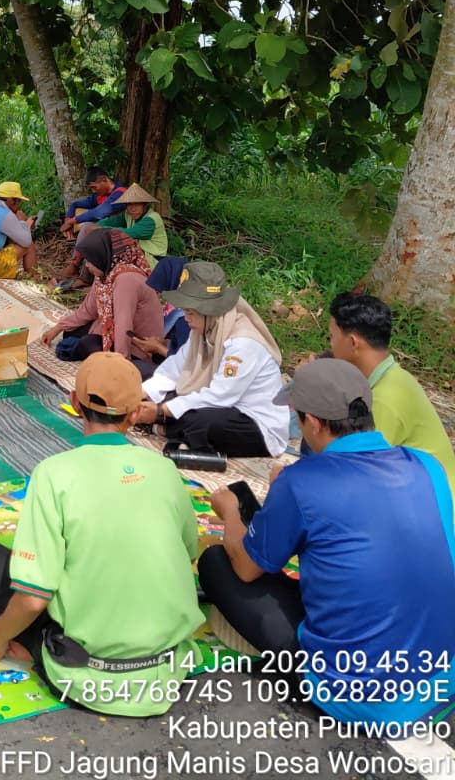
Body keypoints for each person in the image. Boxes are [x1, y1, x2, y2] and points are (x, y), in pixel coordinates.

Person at [200, 360, 455, 726]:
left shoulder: (302, 481)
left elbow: (247, 567)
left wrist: (230, 513)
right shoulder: (426, 465)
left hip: (361, 696)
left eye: (299, 420)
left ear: (315, 424)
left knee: (218, 563)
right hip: (442, 680)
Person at [0, 353, 204, 715]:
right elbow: (188, 551)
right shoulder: (165, 469)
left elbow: (33, 597)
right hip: (166, 671)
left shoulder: (52, 474)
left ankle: (32, 645)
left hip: (86, 676)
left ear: (75, 404)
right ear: (136, 412)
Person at [131, 261, 289, 458]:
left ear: (208, 310)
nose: (186, 318)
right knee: (143, 376)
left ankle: (162, 428)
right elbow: (175, 369)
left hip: (252, 422)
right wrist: (140, 393)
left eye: (190, 312)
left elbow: (219, 397)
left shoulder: (243, 344)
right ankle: (167, 427)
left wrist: (161, 411)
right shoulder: (203, 331)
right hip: (221, 405)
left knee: (200, 421)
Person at [328, 291, 455, 496]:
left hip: (434, 512)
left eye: (332, 337)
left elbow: (358, 474)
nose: (330, 344)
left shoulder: (384, 401)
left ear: (353, 343)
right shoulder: (394, 378)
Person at [41, 229, 162, 368]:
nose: (86, 265)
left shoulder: (126, 279)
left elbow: (124, 324)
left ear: (101, 257)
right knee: (70, 332)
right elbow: (87, 311)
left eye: (89, 261)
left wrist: (121, 363)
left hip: (136, 345)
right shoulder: (105, 274)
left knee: (87, 344)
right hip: (115, 332)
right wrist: (56, 329)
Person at [56, 183, 169, 291]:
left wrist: (100, 229)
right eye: (129, 204)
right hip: (139, 256)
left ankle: (100, 281)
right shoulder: (128, 215)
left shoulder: (151, 220)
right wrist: (94, 226)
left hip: (152, 261)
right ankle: (86, 277)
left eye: (136, 204)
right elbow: (109, 221)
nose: (132, 208)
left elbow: (128, 233)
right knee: (93, 230)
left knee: (114, 244)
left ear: (144, 204)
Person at [59, 166, 126, 238]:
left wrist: (71, 221)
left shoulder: (120, 192)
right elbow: (75, 204)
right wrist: (67, 220)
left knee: (87, 228)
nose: (93, 191)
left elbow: (99, 212)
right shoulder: (100, 196)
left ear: (104, 179)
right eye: (91, 188)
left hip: (123, 231)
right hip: (105, 230)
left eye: (94, 187)